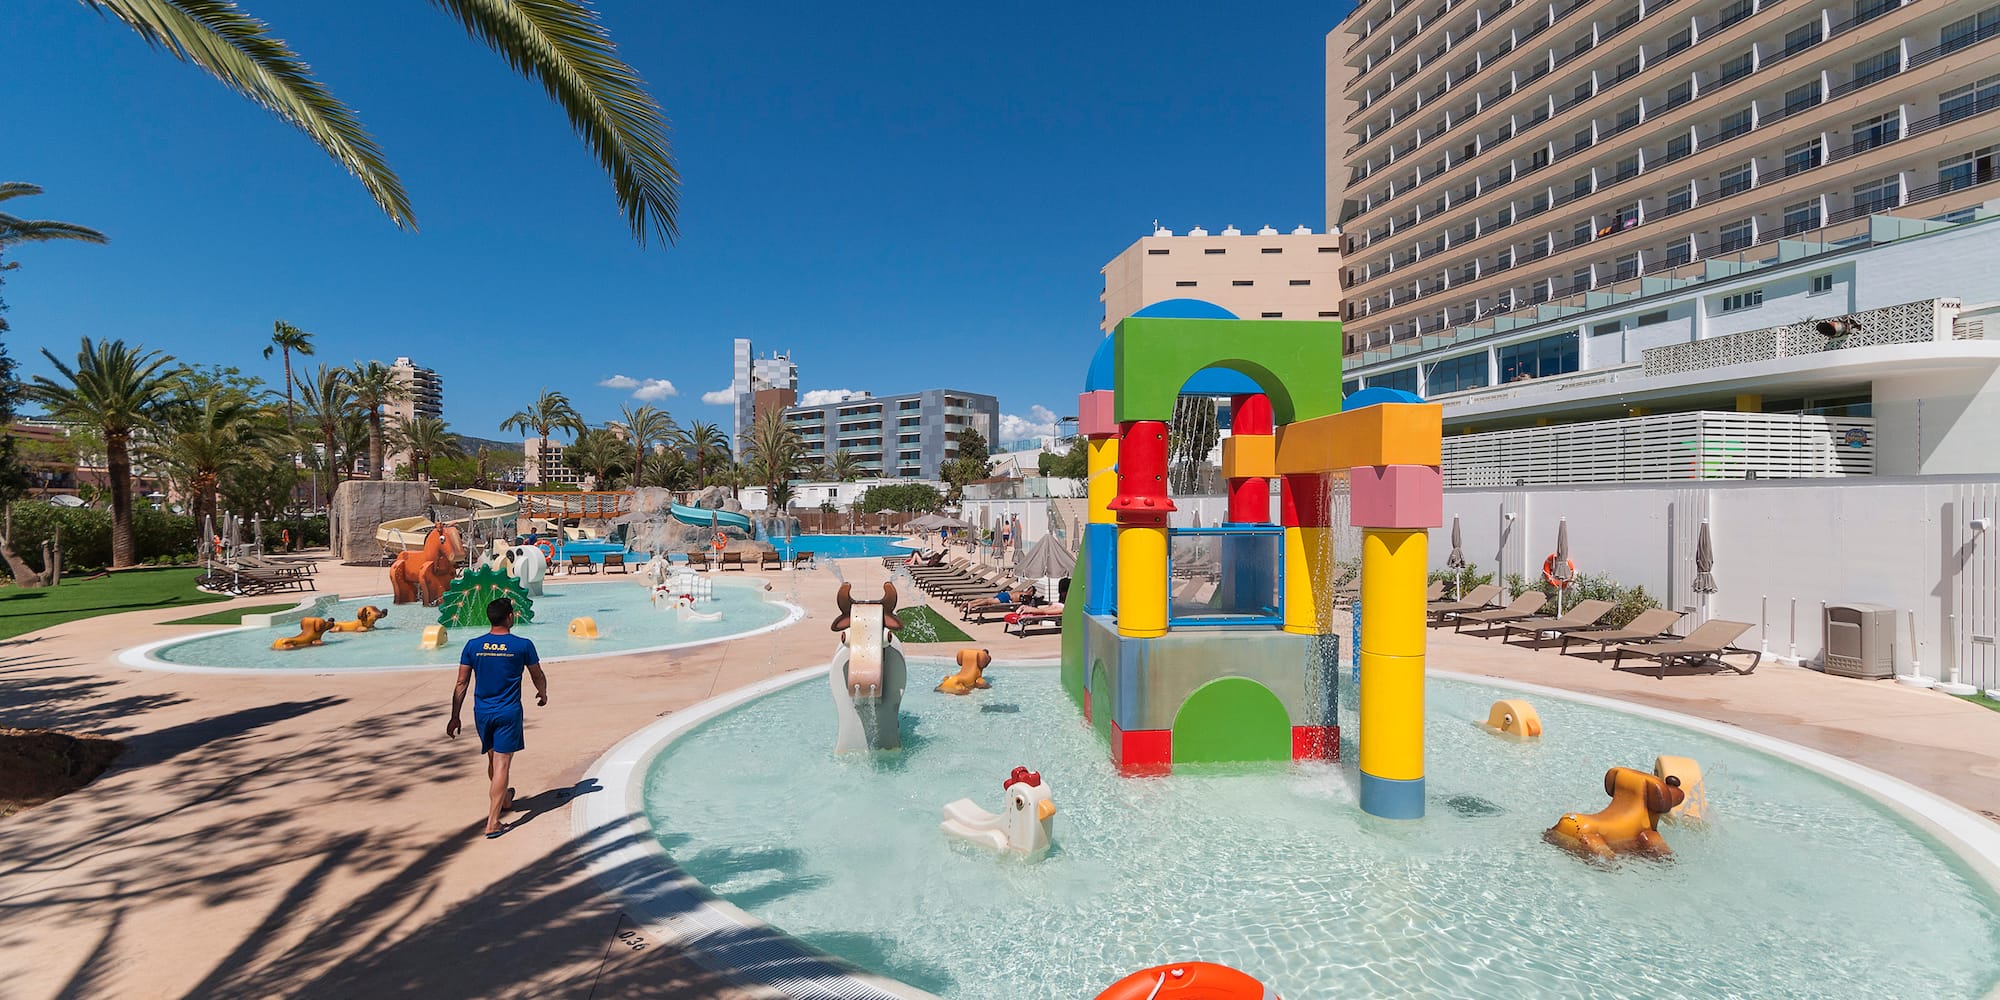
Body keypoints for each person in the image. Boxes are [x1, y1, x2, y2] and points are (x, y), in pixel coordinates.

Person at [447, 597, 548, 839]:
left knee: (493, 760)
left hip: (482, 712)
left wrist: (454, 716)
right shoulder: (522, 645)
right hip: (508, 712)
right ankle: (493, 822)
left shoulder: (473, 645)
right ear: (510, 616)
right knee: (502, 763)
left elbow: (462, 682)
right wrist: (542, 692)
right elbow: (537, 674)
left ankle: (504, 800)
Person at [967, 582, 1035, 612]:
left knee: (987, 599)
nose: (1032, 594)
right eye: (1032, 592)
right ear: (1030, 592)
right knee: (988, 602)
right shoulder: (1025, 595)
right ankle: (972, 605)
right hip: (1006, 597)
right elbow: (1028, 603)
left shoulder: (1021, 591)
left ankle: (970, 602)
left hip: (1004, 594)